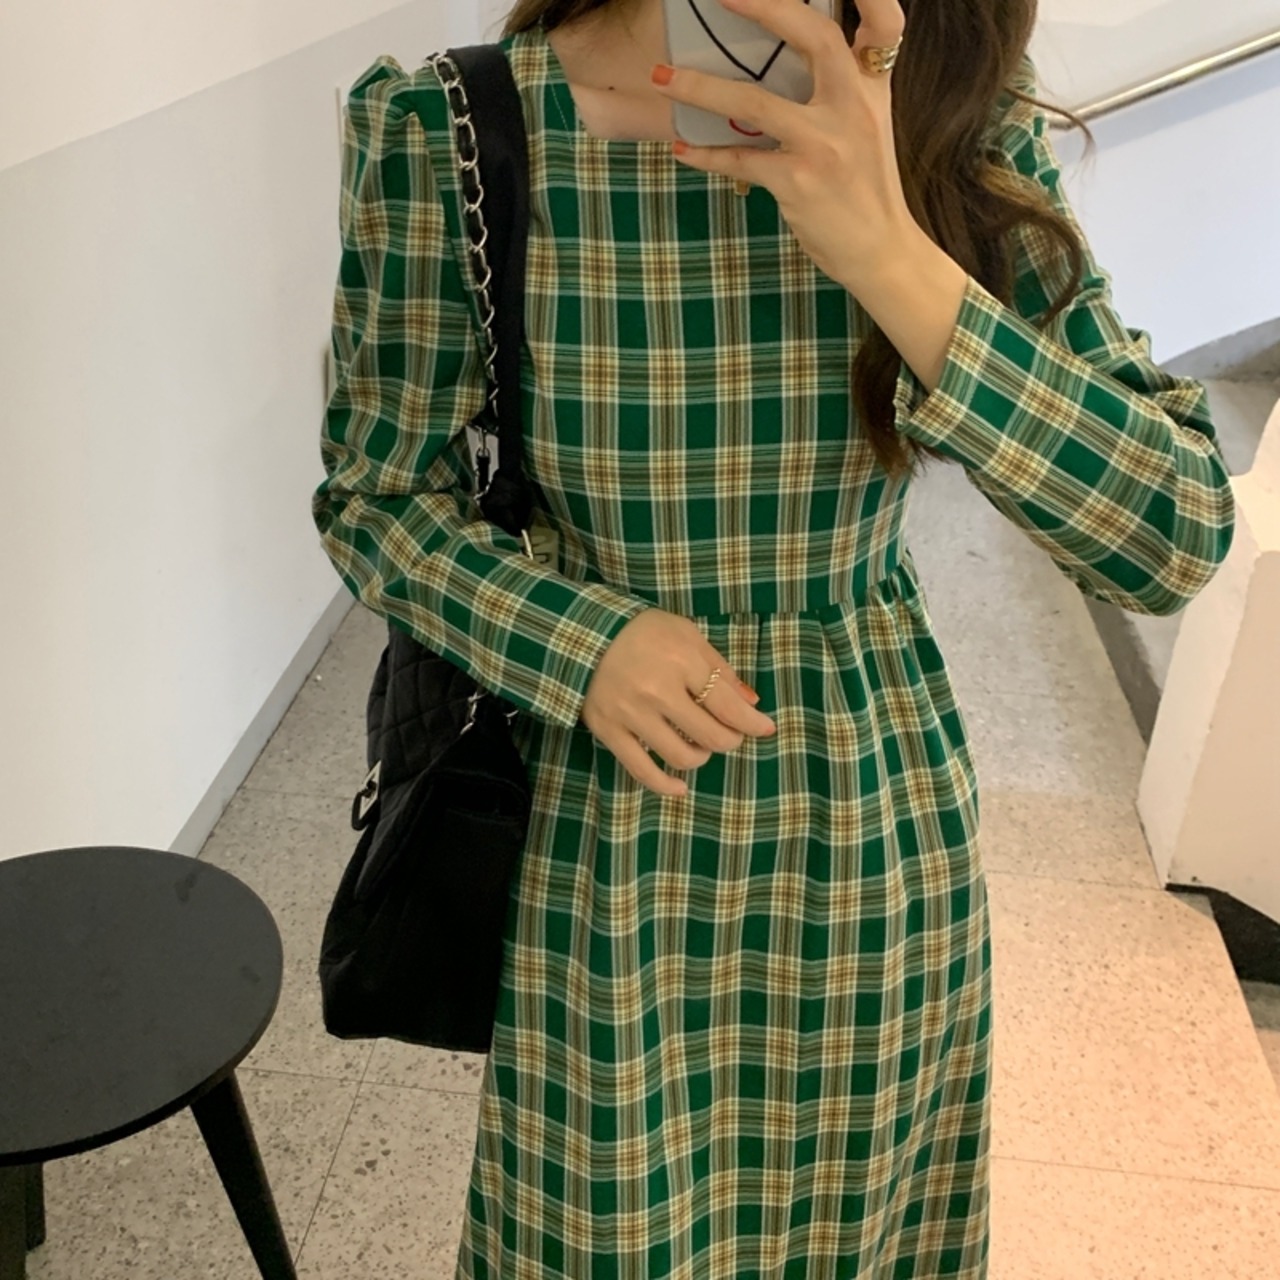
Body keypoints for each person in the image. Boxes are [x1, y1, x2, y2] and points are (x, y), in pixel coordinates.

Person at [311, 0, 1236, 1275]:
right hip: (609, 838)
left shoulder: (951, 113)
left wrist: (888, 251)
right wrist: (575, 639)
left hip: (867, 831)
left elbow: (1171, 532)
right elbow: (375, 498)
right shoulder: (455, 126)